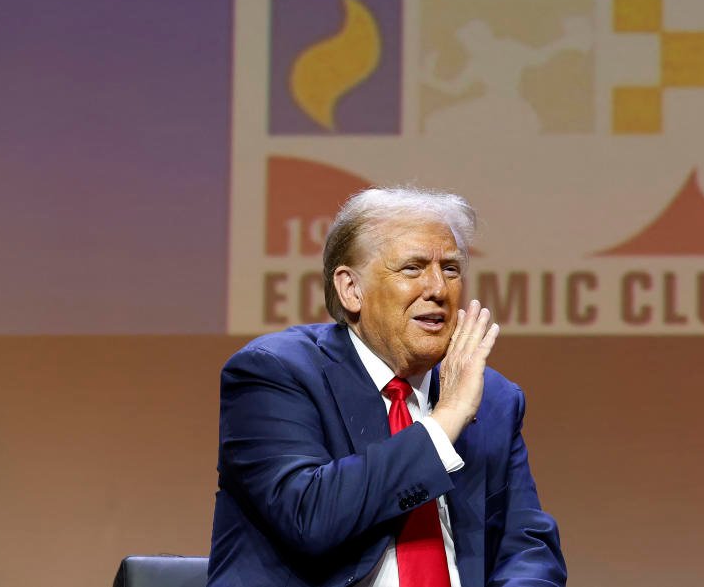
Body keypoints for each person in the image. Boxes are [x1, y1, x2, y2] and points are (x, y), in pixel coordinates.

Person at [207, 188, 566, 587]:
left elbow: (527, 549)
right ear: (351, 290)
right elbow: (309, 516)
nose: (438, 289)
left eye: (450, 269)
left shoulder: (493, 397)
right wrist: (443, 422)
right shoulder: (275, 372)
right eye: (412, 268)